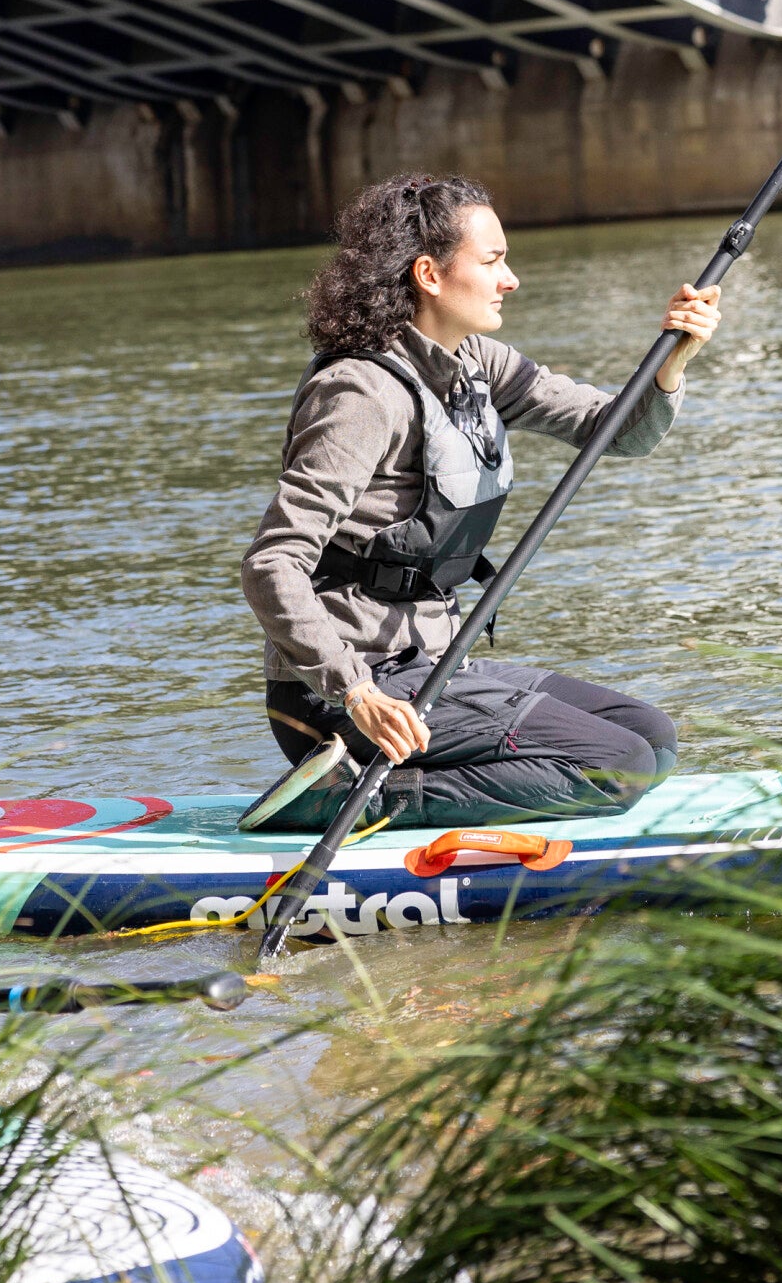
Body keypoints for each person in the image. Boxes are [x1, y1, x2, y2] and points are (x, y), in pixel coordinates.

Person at [241, 174, 719, 831]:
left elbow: (619, 432)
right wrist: (355, 692)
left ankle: (397, 783)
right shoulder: (359, 395)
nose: (510, 279)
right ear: (430, 275)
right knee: (619, 764)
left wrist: (674, 361)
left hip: (431, 664)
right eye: (492, 261)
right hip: (348, 697)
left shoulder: (479, 364)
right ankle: (354, 799)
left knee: (650, 737)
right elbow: (272, 563)